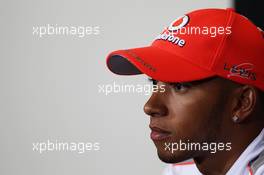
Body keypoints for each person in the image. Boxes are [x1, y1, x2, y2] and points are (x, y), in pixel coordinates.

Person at [106, 8, 264, 175]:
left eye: (179, 86)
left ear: (242, 103)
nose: (150, 106)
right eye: (155, 83)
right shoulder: (179, 171)